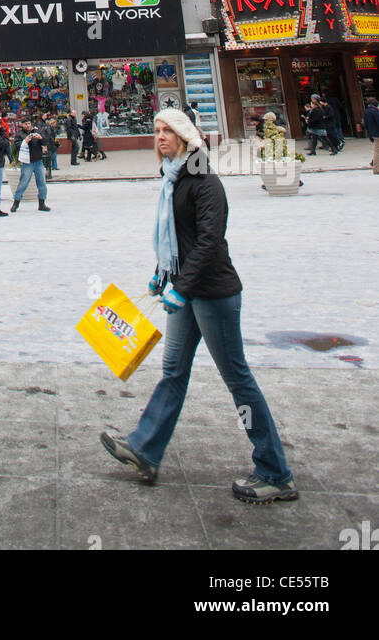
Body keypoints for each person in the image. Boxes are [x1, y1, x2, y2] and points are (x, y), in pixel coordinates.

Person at [100, 110, 298, 504]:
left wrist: (183, 286)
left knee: (237, 379)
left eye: (168, 131)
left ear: (186, 136)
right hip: (186, 290)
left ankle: (276, 471)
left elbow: (209, 242)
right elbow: (178, 237)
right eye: (156, 131)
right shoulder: (173, 177)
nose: (160, 137)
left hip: (213, 294)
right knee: (173, 370)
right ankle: (145, 450)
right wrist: (163, 273)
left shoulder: (204, 181)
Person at [11, 120, 50, 212]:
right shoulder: (19, 134)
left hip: (38, 161)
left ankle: (42, 203)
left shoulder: (37, 131)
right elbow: (16, 146)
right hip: (27, 162)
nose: (28, 125)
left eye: (29, 123)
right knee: (23, 183)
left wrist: (41, 138)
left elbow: (45, 142)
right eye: (26, 124)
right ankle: (16, 203)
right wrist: (24, 141)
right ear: (22, 125)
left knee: (42, 183)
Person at [363, 98, 379, 174]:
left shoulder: (366, 111)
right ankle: (376, 168)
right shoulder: (375, 111)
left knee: (377, 150)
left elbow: (366, 124)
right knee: (377, 151)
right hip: (377, 133)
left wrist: (369, 134)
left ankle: (374, 163)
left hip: (373, 133)